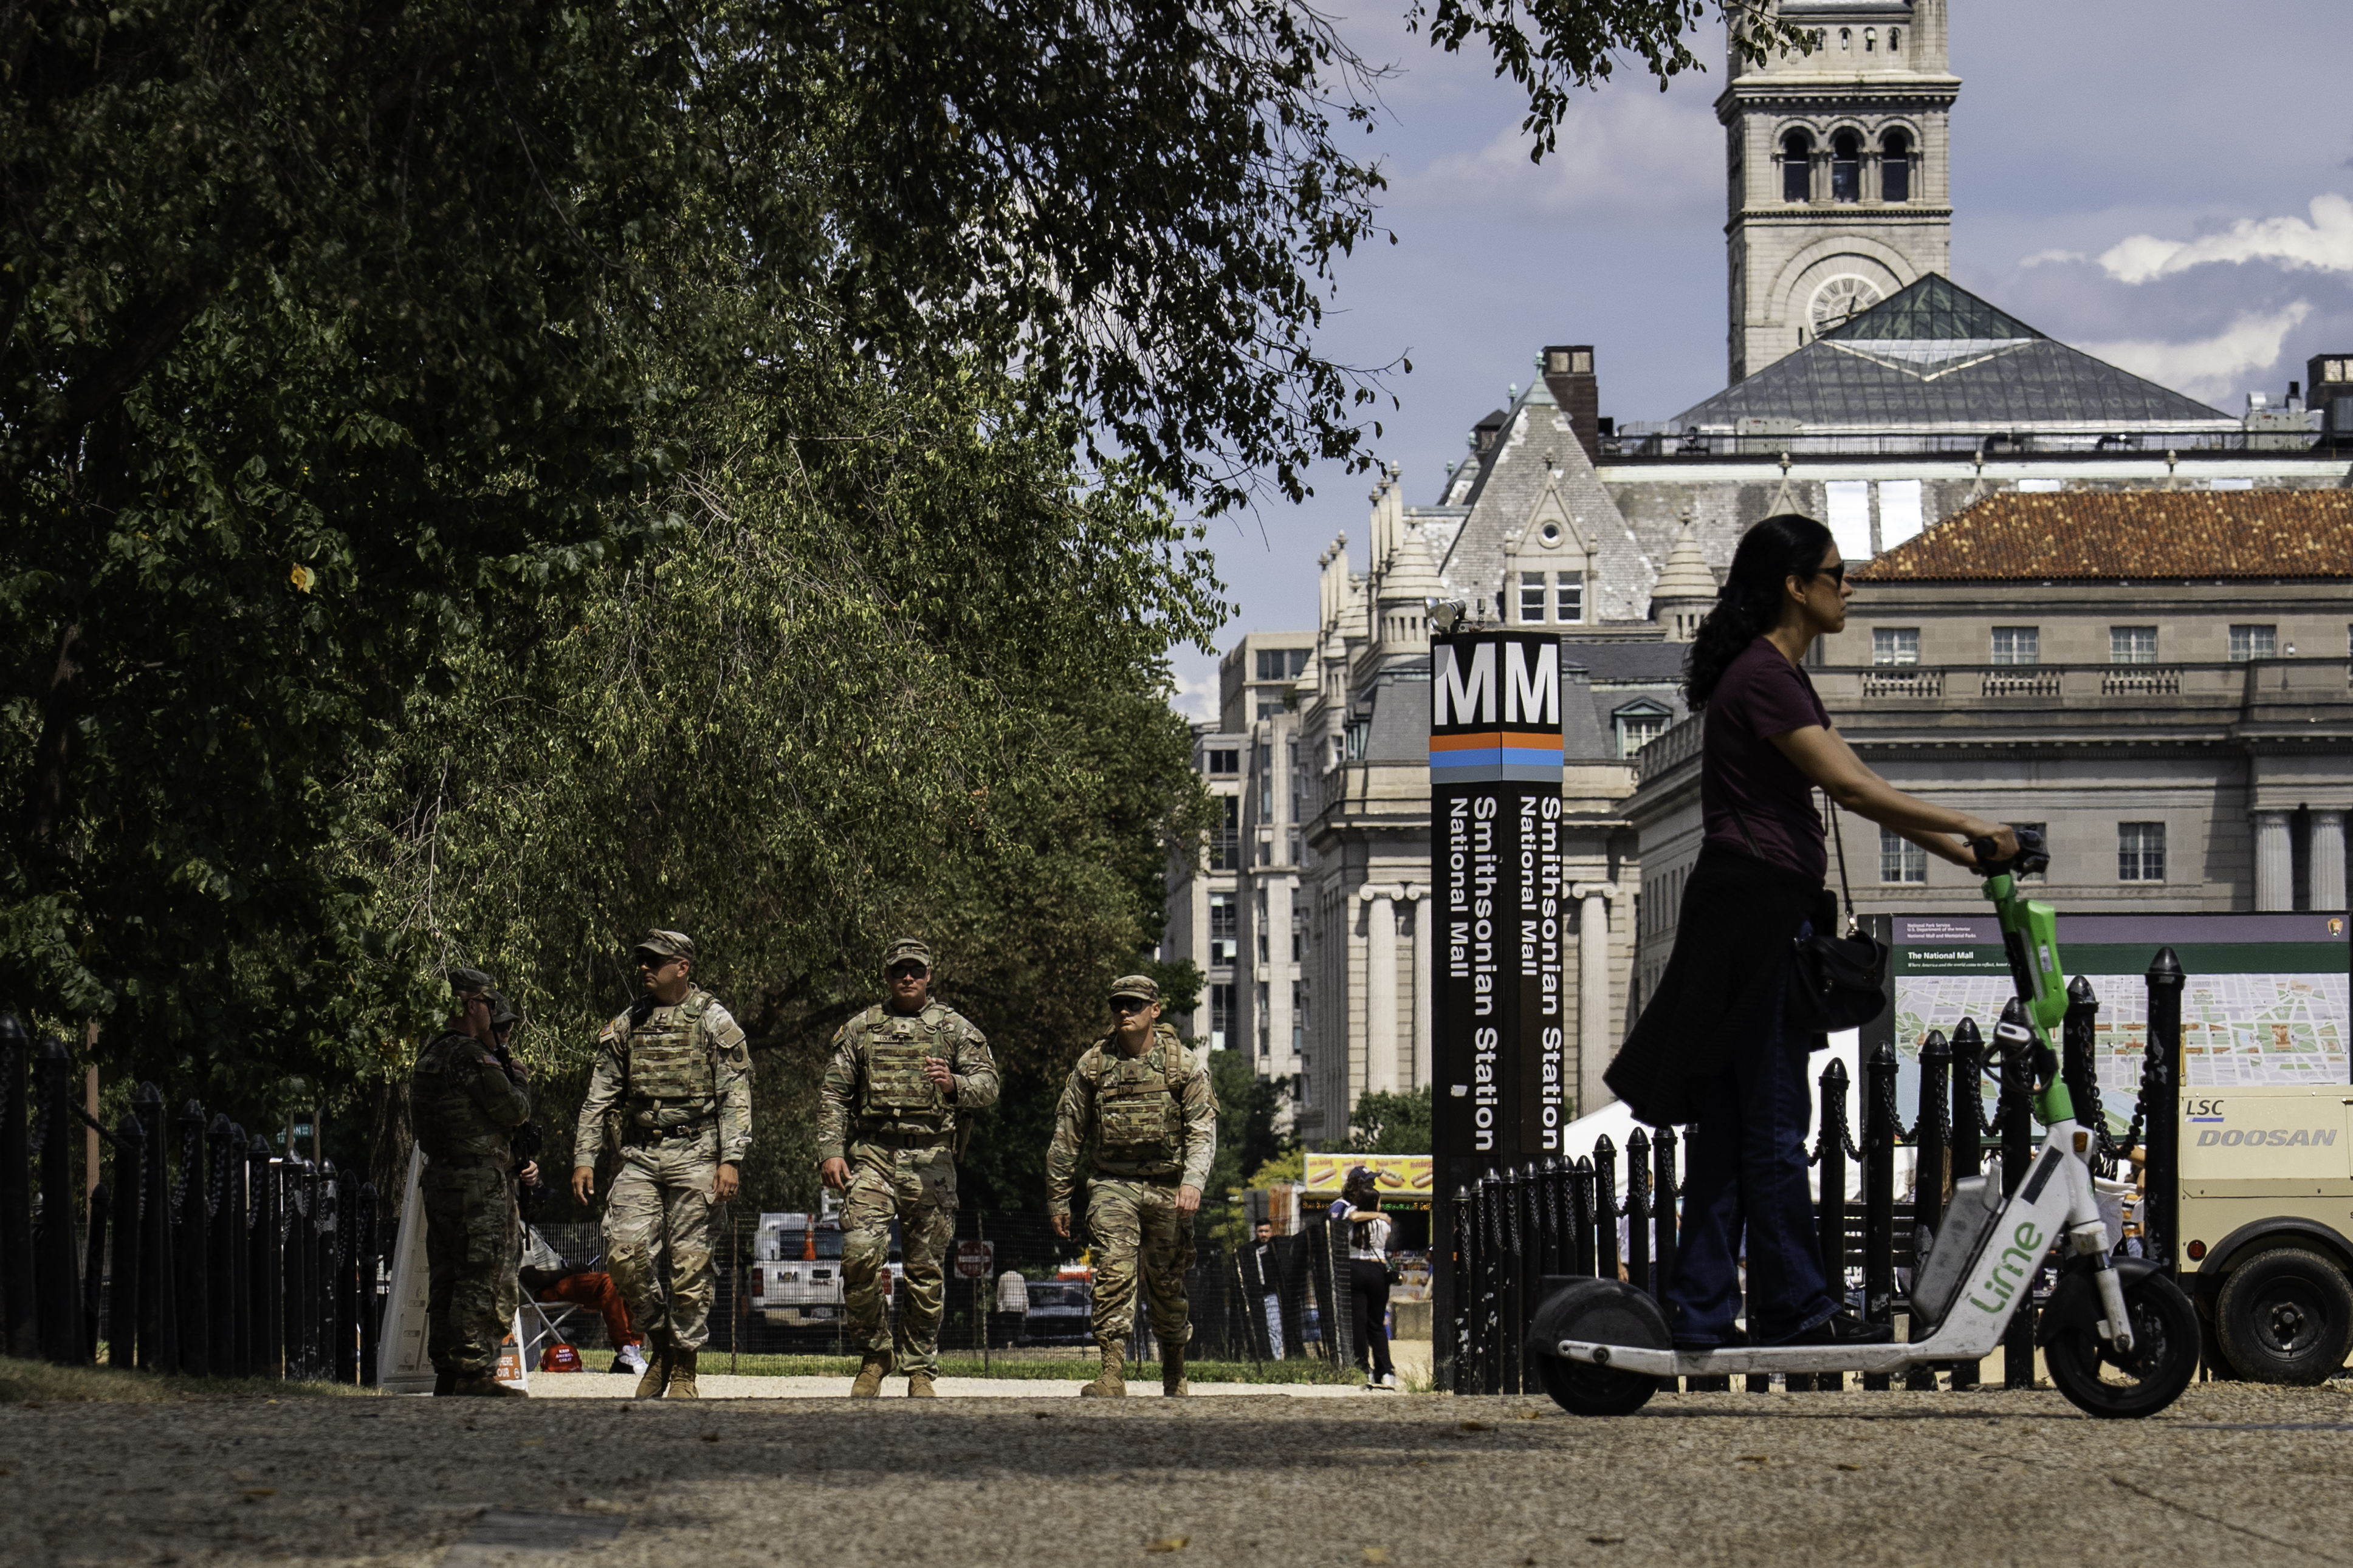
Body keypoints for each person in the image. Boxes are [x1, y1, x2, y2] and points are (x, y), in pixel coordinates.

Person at [1609, 513, 2018, 1351]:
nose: (1850, 587)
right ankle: (1796, 1305)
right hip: (1757, 907)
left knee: (1730, 1127)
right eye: (1838, 573)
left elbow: (1859, 782)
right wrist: (1976, 822)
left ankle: (1699, 1305)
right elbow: (1853, 790)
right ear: (1796, 585)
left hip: (1748, 904)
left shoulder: (1776, 675)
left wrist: (1963, 849)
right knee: (1769, 1118)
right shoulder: (1764, 675)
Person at [570, 930, 752, 1400]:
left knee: (691, 1265)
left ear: (682, 966)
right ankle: (662, 1343)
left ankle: (685, 1369)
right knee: (623, 1254)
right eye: (642, 960)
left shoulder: (713, 1020)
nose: (645, 968)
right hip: (641, 1156)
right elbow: (598, 1097)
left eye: (655, 961)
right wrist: (584, 1157)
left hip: (698, 1153)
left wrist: (731, 1158)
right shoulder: (629, 1023)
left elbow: (735, 1094)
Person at [815, 937, 999, 1398]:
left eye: (916, 969)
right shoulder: (861, 1028)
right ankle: (876, 1354)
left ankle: (919, 1367)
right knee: (859, 1254)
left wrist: (955, 1084)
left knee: (925, 1269)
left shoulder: (954, 1028)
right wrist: (831, 1150)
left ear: (930, 974)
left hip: (933, 1159)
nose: (908, 977)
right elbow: (835, 1092)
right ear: (888, 976)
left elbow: (990, 1084)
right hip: (874, 1154)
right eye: (900, 970)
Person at [1045, 974, 1217, 1398]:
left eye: (1135, 1004)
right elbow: (1067, 1133)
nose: (1125, 1011)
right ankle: (1111, 1371)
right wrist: (1058, 1196)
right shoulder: (1094, 1065)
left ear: (1154, 1010)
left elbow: (1202, 1128)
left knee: (1167, 1282)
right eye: (1118, 1003)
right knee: (1114, 1270)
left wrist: (1193, 1181)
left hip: (1167, 1187)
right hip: (1112, 1184)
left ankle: (1174, 1369)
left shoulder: (1182, 1064)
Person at [410, 967, 533, 1397]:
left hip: (440, 1176)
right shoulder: (467, 1054)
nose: (493, 1011)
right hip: (477, 1180)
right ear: (470, 1005)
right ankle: (473, 1371)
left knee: (447, 1275)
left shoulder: (429, 1054)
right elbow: (513, 1108)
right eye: (489, 1003)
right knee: (481, 1272)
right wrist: (519, 1077)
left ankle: (447, 1369)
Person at [518, 1227, 648, 1376]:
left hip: (561, 1280)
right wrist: (570, 1271)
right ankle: (624, 1351)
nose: (542, 1207)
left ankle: (634, 1348)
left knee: (626, 1280)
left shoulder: (532, 1228)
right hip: (543, 1289)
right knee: (610, 1283)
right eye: (540, 1203)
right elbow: (531, 1278)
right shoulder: (521, 1228)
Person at [1331, 1168, 1396, 1389]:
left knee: (1357, 1324)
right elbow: (1383, 1230)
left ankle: (1363, 1369)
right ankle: (1386, 1371)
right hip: (1376, 1270)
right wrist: (1379, 1214)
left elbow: (1353, 1219)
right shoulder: (1383, 1224)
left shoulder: (1353, 1220)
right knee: (1376, 1323)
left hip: (1354, 1268)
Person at [1250, 1219, 1286, 1361]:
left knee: (1274, 1327)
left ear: (1271, 1232)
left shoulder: (1276, 1248)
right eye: (1261, 1231)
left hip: (1271, 1294)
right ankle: (1260, 1357)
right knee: (1257, 1328)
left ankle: (1275, 1358)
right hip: (1255, 1296)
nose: (1263, 1234)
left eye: (1266, 1231)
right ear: (1256, 1232)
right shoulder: (1250, 1250)